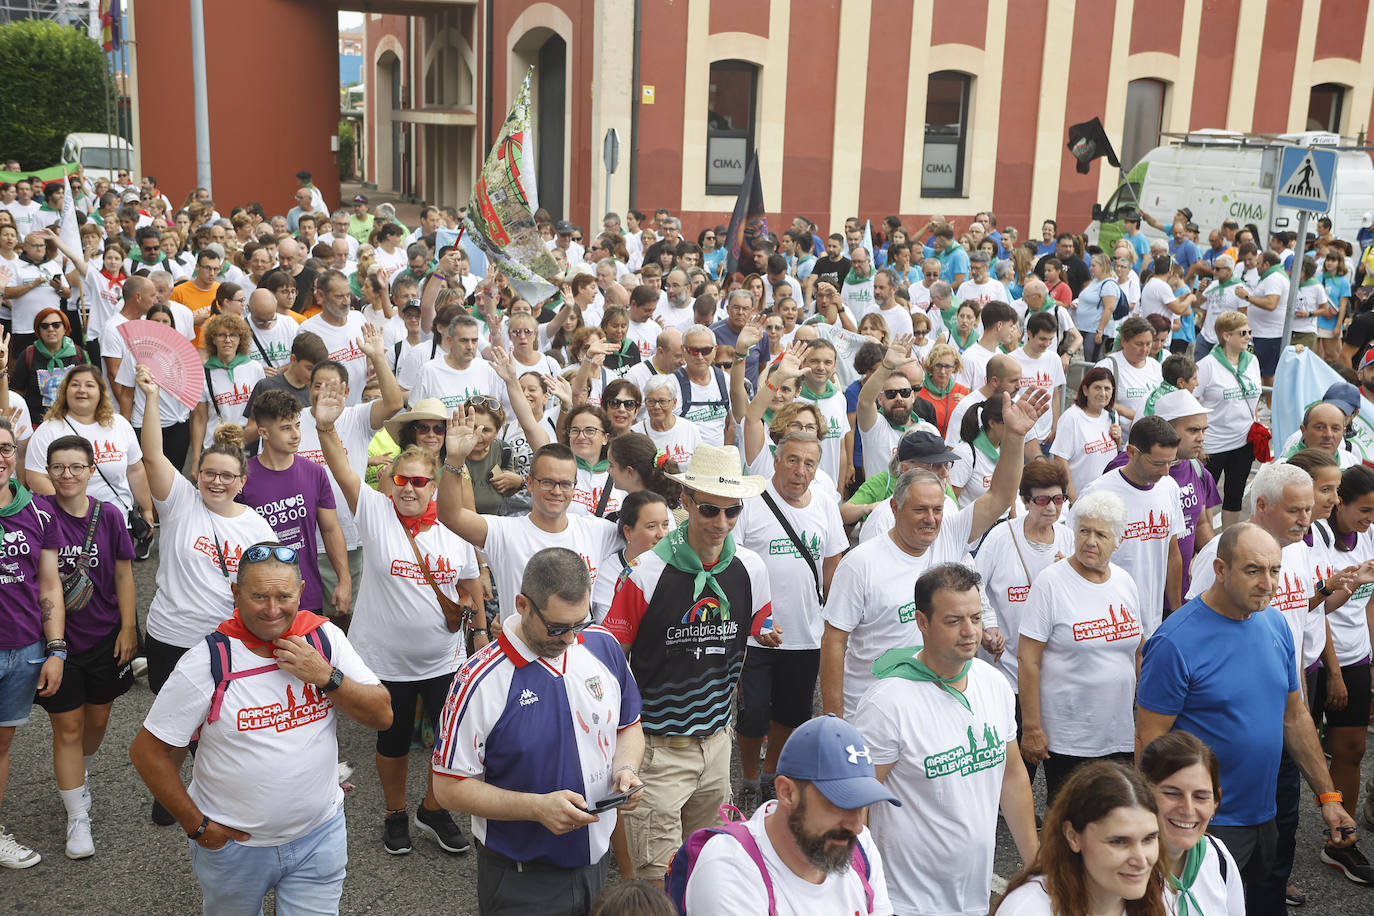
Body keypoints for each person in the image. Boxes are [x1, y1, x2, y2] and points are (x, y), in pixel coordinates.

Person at [129, 542, 392, 914]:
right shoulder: (207, 661)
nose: (272, 609)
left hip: (320, 836)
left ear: (301, 592)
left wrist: (325, 676)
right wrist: (199, 827)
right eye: (258, 596)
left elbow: (382, 715)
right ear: (235, 593)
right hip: (236, 850)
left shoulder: (323, 639)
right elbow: (147, 751)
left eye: (284, 595)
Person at [1136, 524, 1358, 911]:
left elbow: (1295, 718)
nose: (1267, 584)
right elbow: (1149, 743)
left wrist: (1328, 796)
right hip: (1203, 824)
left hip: (1266, 815)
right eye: (1253, 570)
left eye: (1275, 571)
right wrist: (1158, 827)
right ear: (1221, 570)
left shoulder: (1275, 624)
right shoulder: (1174, 643)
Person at [313, 381, 485, 857]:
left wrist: (479, 634)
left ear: (434, 486)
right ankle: (394, 813)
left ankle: (432, 808)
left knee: (450, 748)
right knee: (391, 743)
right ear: (391, 481)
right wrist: (326, 426)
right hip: (385, 662)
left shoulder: (455, 526)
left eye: (419, 481)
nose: (408, 489)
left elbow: (470, 586)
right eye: (402, 480)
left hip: (442, 660)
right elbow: (343, 470)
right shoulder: (375, 512)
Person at [602, 445, 780, 885]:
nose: (721, 523)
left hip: (718, 744)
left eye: (732, 512)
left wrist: (763, 633)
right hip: (657, 752)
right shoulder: (643, 571)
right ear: (685, 502)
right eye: (709, 510)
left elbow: (757, 627)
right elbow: (612, 660)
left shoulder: (751, 567)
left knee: (712, 870)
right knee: (655, 881)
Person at [432, 547, 645, 914]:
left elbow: (629, 726)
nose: (570, 640)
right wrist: (536, 808)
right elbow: (448, 788)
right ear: (522, 604)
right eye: (558, 628)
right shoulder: (477, 680)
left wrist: (626, 769)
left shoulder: (602, 645)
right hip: (522, 881)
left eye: (580, 623)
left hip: (596, 864)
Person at [821, 388, 1049, 718]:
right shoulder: (860, 564)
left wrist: (1014, 436)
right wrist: (834, 716)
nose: (931, 520)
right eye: (920, 510)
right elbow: (834, 641)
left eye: (938, 510)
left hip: (936, 710)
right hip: (872, 713)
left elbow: (999, 496)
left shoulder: (951, 532)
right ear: (895, 508)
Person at [853, 563, 1039, 916]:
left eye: (975, 618)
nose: (969, 631)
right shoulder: (887, 703)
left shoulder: (994, 684)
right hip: (904, 903)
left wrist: (1038, 866)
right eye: (954, 621)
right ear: (923, 622)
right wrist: (865, 890)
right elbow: (856, 804)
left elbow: (1012, 776)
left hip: (974, 898)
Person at [732, 431, 848, 811]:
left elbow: (833, 562)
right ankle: (748, 779)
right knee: (752, 715)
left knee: (791, 714)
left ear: (818, 468)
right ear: (777, 460)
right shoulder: (752, 501)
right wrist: (752, 620)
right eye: (793, 460)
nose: (800, 470)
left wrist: (838, 611)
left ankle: (770, 775)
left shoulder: (826, 505)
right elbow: (733, 564)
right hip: (755, 634)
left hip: (805, 633)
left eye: (809, 463)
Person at [681, 714, 897, 914]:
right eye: (840, 804)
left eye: (862, 805)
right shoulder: (728, 869)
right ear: (787, 793)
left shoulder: (861, 847)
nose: (856, 826)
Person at [34, 435, 135, 860]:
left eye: (77, 466)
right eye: (58, 467)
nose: (67, 475)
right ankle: (78, 815)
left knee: (96, 721)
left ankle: (80, 772)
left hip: (104, 637)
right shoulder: (38, 515)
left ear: (92, 470)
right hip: (56, 644)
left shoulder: (108, 514)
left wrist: (129, 628)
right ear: (48, 472)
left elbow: (125, 574)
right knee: (68, 729)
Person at [1018, 490, 1142, 800]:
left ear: (1118, 541)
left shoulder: (1125, 581)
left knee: (1115, 818)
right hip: (1069, 737)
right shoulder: (1051, 583)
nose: (1090, 541)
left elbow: (1137, 651)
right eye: (1084, 531)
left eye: (1101, 534)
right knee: (1069, 822)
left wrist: (1144, 715)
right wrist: (1032, 728)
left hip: (1119, 731)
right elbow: (1028, 660)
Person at [438, 424, 621, 625]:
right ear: (530, 483)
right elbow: (451, 515)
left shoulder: (597, 531)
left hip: (576, 650)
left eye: (565, 484)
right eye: (547, 482)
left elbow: (647, 535)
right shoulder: (504, 533)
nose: (557, 491)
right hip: (520, 653)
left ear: (574, 486)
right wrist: (454, 460)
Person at [0, 416, 66, 868]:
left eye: (5, 447)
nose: (0, 456)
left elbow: (49, 588)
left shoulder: (38, 512)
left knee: (1, 746)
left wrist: (56, 650)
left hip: (23, 650)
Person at [1305, 464, 1374, 885]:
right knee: (1293, 754)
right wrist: (1334, 672)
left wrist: (1370, 656)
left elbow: (1369, 603)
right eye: (1363, 510)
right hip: (1320, 660)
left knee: (1351, 751)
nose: (1369, 519)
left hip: (1357, 657)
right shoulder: (1320, 542)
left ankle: (1341, 843)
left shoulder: (1368, 535)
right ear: (1340, 504)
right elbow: (1317, 611)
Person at [994, 762, 1167, 916]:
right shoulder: (1028, 909)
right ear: (1073, 836)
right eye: (1119, 841)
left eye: (1149, 839)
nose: (1141, 860)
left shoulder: (1158, 895)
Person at [24, 364, 156, 559]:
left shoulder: (120, 424)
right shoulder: (49, 430)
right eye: (75, 384)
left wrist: (146, 508)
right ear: (65, 391)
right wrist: (72, 509)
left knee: (117, 579)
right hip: (66, 524)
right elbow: (35, 477)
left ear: (101, 392)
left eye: (89, 385)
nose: (82, 390)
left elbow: (135, 470)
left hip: (117, 521)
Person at [237, 390, 350, 616]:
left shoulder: (315, 473)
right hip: (258, 599)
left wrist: (344, 580)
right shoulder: (242, 477)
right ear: (263, 433)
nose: (296, 434)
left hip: (305, 595)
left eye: (297, 425)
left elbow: (330, 529)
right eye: (286, 428)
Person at [1104, 389, 1218, 597]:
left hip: (1180, 593)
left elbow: (1200, 524)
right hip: (1130, 594)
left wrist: (1208, 556)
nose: (1201, 438)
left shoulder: (1197, 469)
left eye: (1204, 430)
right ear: (1169, 429)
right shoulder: (1125, 468)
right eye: (1193, 430)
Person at [1081, 416, 1185, 637]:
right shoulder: (1098, 493)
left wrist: (1176, 613)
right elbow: (1079, 560)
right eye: (1158, 463)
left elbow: (1172, 553)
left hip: (1153, 622)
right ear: (1131, 452)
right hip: (1107, 622)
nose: (1166, 471)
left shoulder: (1169, 488)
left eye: (1171, 462)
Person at [1138, 731, 1246, 916]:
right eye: (1172, 793)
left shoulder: (1219, 857)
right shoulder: (1125, 872)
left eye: (1201, 796)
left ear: (1215, 802)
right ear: (1142, 795)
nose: (1188, 810)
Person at [1195, 311, 1261, 529]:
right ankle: (1202, 545)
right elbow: (1192, 401)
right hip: (1213, 443)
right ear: (1226, 335)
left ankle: (1229, 542)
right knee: (1204, 498)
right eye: (1243, 333)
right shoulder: (1207, 365)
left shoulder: (1252, 361)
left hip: (1244, 441)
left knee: (1234, 496)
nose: (1248, 336)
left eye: (1250, 331)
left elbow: (1255, 398)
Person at [190, 313, 266, 473]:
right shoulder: (204, 373)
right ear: (213, 339)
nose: (228, 340)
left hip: (248, 443)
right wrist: (196, 458)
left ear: (241, 339)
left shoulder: (254, 368)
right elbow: (199, 418)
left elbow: (262, 412)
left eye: (233, 335)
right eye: (221, 335)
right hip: (215, 445)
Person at [591, 489, 673, 621]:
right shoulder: (610, 572)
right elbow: (609, 629)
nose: (662, 534)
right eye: (651, 526)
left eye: (665, 525)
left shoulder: (676, 566)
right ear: (628, 532)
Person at [10, 307, 86, 426]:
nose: (50, 329)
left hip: (74, 421)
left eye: (56, 325)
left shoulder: (77, 353)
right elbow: (16, 392)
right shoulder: (28, 355)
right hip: (38, 423)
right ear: (38, 330)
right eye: (44, 326)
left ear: (65, 328)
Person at [1097, 316, 1163, 435]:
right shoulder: (1108, 366)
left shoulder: (1155, 366)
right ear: (1123, 341)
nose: (1144, 349)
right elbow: (1096, 400)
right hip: (1118, 439)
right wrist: (1136, 416)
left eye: (1148, 344)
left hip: (1149, 439)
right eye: (1138, 344)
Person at [635, 375, 702, 467]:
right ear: (645, 403)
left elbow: (700, 464)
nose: (657, 407)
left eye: (663, 401)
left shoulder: (689, 429)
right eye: (651, 401)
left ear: (674, 403)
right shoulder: (636, 433)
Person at [916, 343, 969, 438]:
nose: (942, 371)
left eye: (947, 366)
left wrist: (967, 407)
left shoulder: (962, 392)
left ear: (954, 367)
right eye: (938, 365)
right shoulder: (918, 391)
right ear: (931, 365)